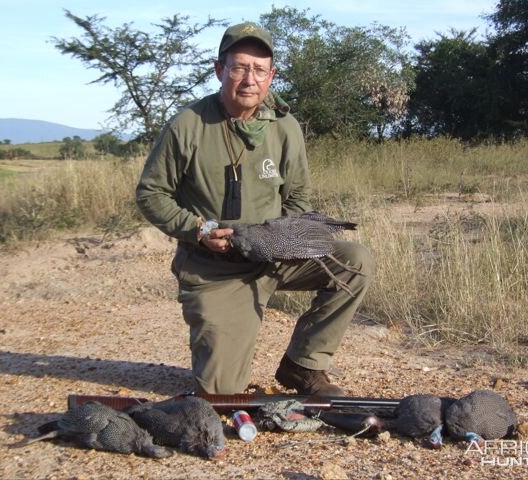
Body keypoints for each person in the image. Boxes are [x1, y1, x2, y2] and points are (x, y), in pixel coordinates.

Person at [136, 21, 375, 395]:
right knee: (220, 394)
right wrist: (198, 230)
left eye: (259, 70)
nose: (249, 79)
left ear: (271, 76)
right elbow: (152, 194)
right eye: (239, 67)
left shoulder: (285, 127)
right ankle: (223, 348)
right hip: (214, 268)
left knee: (355, 261)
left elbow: (298, 199)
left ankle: (303, 366)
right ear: (220, 70)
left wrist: (282, 239)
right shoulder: (187, 124)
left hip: (274, 254)